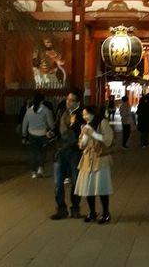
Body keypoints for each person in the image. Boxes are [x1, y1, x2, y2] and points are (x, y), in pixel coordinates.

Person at [74, 104, 115, 224]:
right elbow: (81, 144)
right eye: (83, 114)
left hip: (100, 159)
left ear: (93, 114)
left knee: (101, 186)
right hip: (87, 158)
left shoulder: (103, 123)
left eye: (85, 114)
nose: (84, 116)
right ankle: (92, 212)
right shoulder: (85, 126)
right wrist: (83, 137)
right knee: (88, 187)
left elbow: (108, 139)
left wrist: (93, 133)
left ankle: (106, 213)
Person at [50, 89, 85, 220]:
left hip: (75, 152)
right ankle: (61, 209)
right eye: (67, 99)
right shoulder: (61, 112)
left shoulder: (82, 115)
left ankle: (75, 208)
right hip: (60, 151)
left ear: (78, 102)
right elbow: (56, 127)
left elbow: (85, 132)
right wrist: (52, 133)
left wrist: (74, 124)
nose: (68, 102)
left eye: (72, 100)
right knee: (58, 182)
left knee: (76, 182)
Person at [21, 92, 54, 178]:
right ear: (42, 101)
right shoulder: (46, 110)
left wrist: (24, 135)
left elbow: (25, 123)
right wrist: (52, 129)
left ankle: (33, 172)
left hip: (32, 134)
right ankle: (40, 169)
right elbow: (51, 124)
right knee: (42, 152)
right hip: (43, 134)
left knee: (33, 153)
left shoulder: (29, 111)